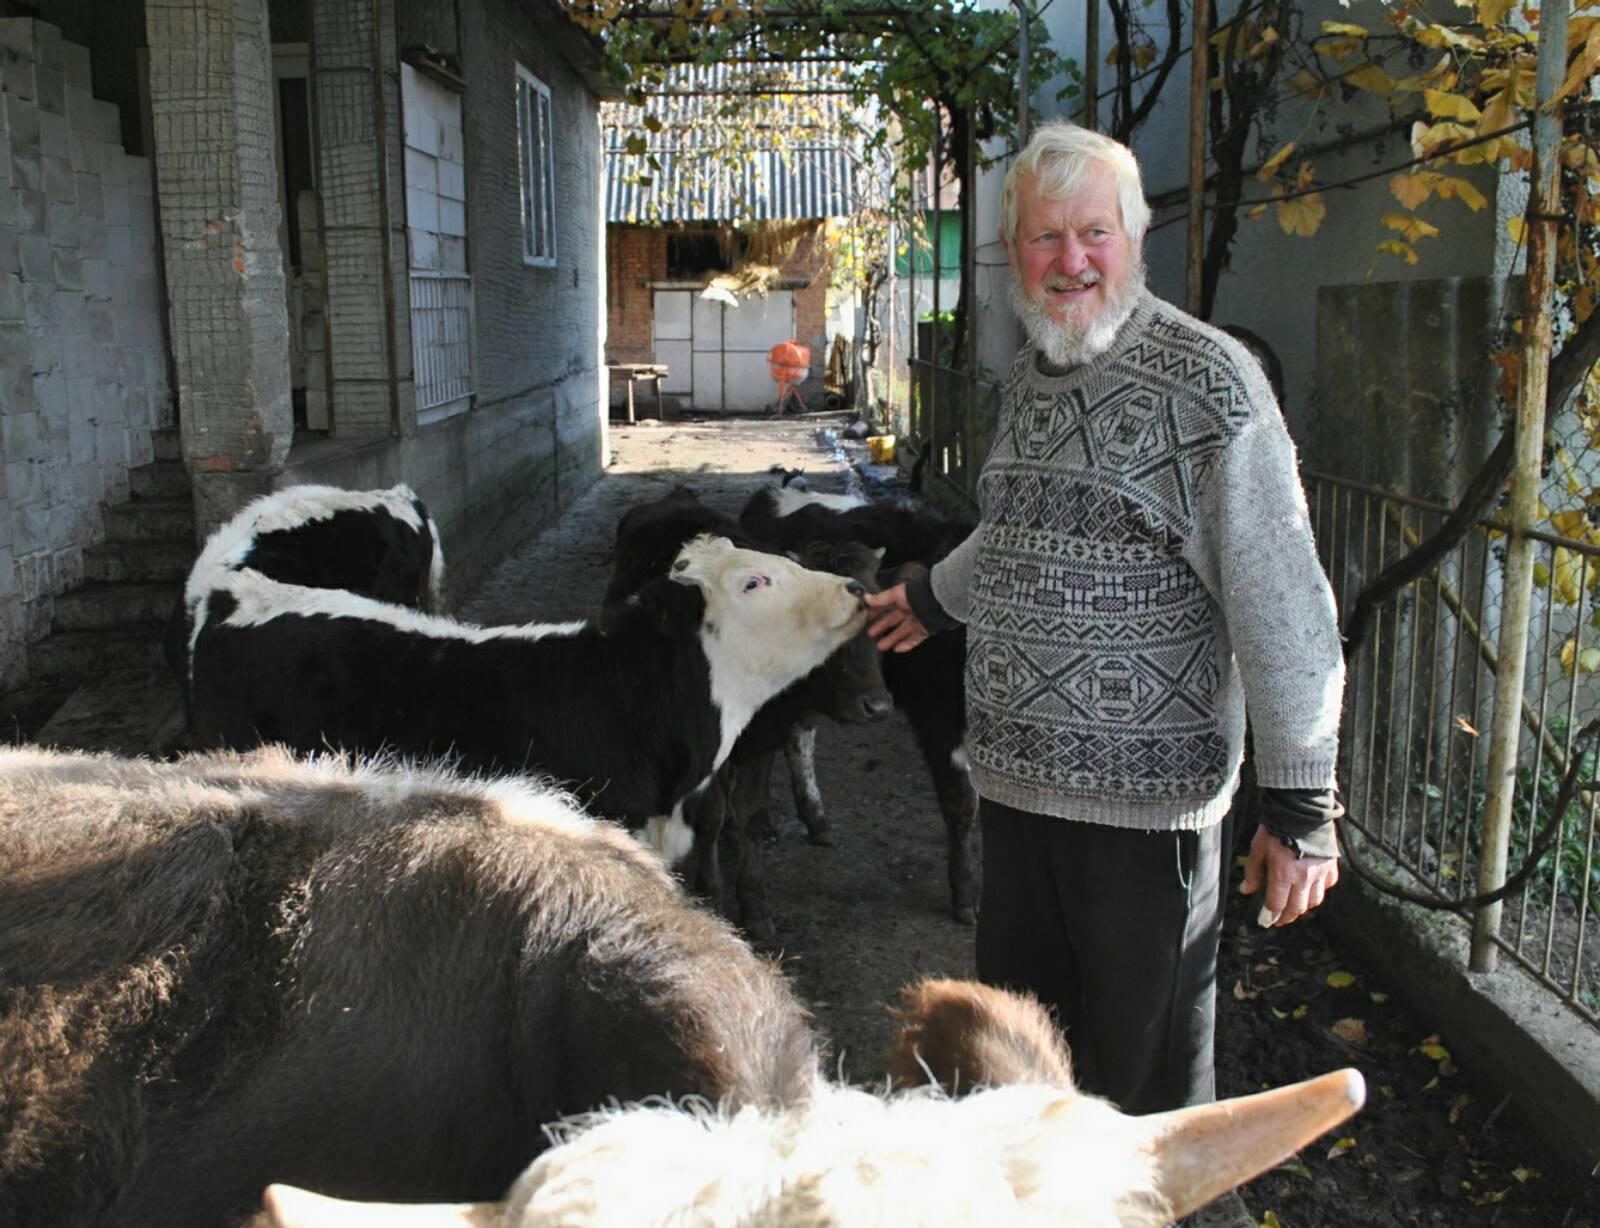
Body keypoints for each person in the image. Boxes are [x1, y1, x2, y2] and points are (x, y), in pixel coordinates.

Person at [865, 120, 1345, 1124]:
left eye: (1094, 232)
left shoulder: (1211, 385)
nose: (1070, 260)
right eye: (1045, 238)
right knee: (1020, 1080)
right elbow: (1015, 533)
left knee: (1143, 1101)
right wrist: (926, 599)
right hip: (1014, 797)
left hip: (1145, 824)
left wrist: (1301, 807)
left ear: (1134, 236)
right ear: (1012, 251)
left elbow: (1284, 603)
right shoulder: (1029, 376)